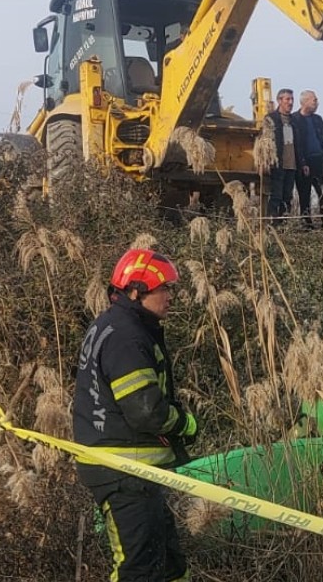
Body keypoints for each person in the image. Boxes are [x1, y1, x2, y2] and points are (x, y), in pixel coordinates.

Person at [73, 249, 196, 582]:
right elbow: (145, 409)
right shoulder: (127, 336)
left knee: (169, 565)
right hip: (125, 472)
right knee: (138, 570)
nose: (171, 296)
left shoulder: (114, 325)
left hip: (136, 470)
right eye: (164, 289)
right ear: (136, 291)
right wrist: (185, 424)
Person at [294, 90, 323, 229]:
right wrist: (302, 162)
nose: (317, 102)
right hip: (304, 163)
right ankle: (306, 224)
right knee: (305, 194)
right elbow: (296, 144)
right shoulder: (295, 119)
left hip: (320, 161)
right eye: (314, 100)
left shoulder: (318, 119)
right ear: (305, 102)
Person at [260, 89, 299, 221]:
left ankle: (284, 224)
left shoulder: (294, 120)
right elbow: (264, 142)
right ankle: (272, 223)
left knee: (287, 197)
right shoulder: (271, 119)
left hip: (292, 164)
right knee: (276, 195)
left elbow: (299, 144)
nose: (290, 102)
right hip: (277, 164)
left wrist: (302, 163)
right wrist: (266, 161)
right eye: (287, 99)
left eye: (291, 99)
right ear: (279, 101)